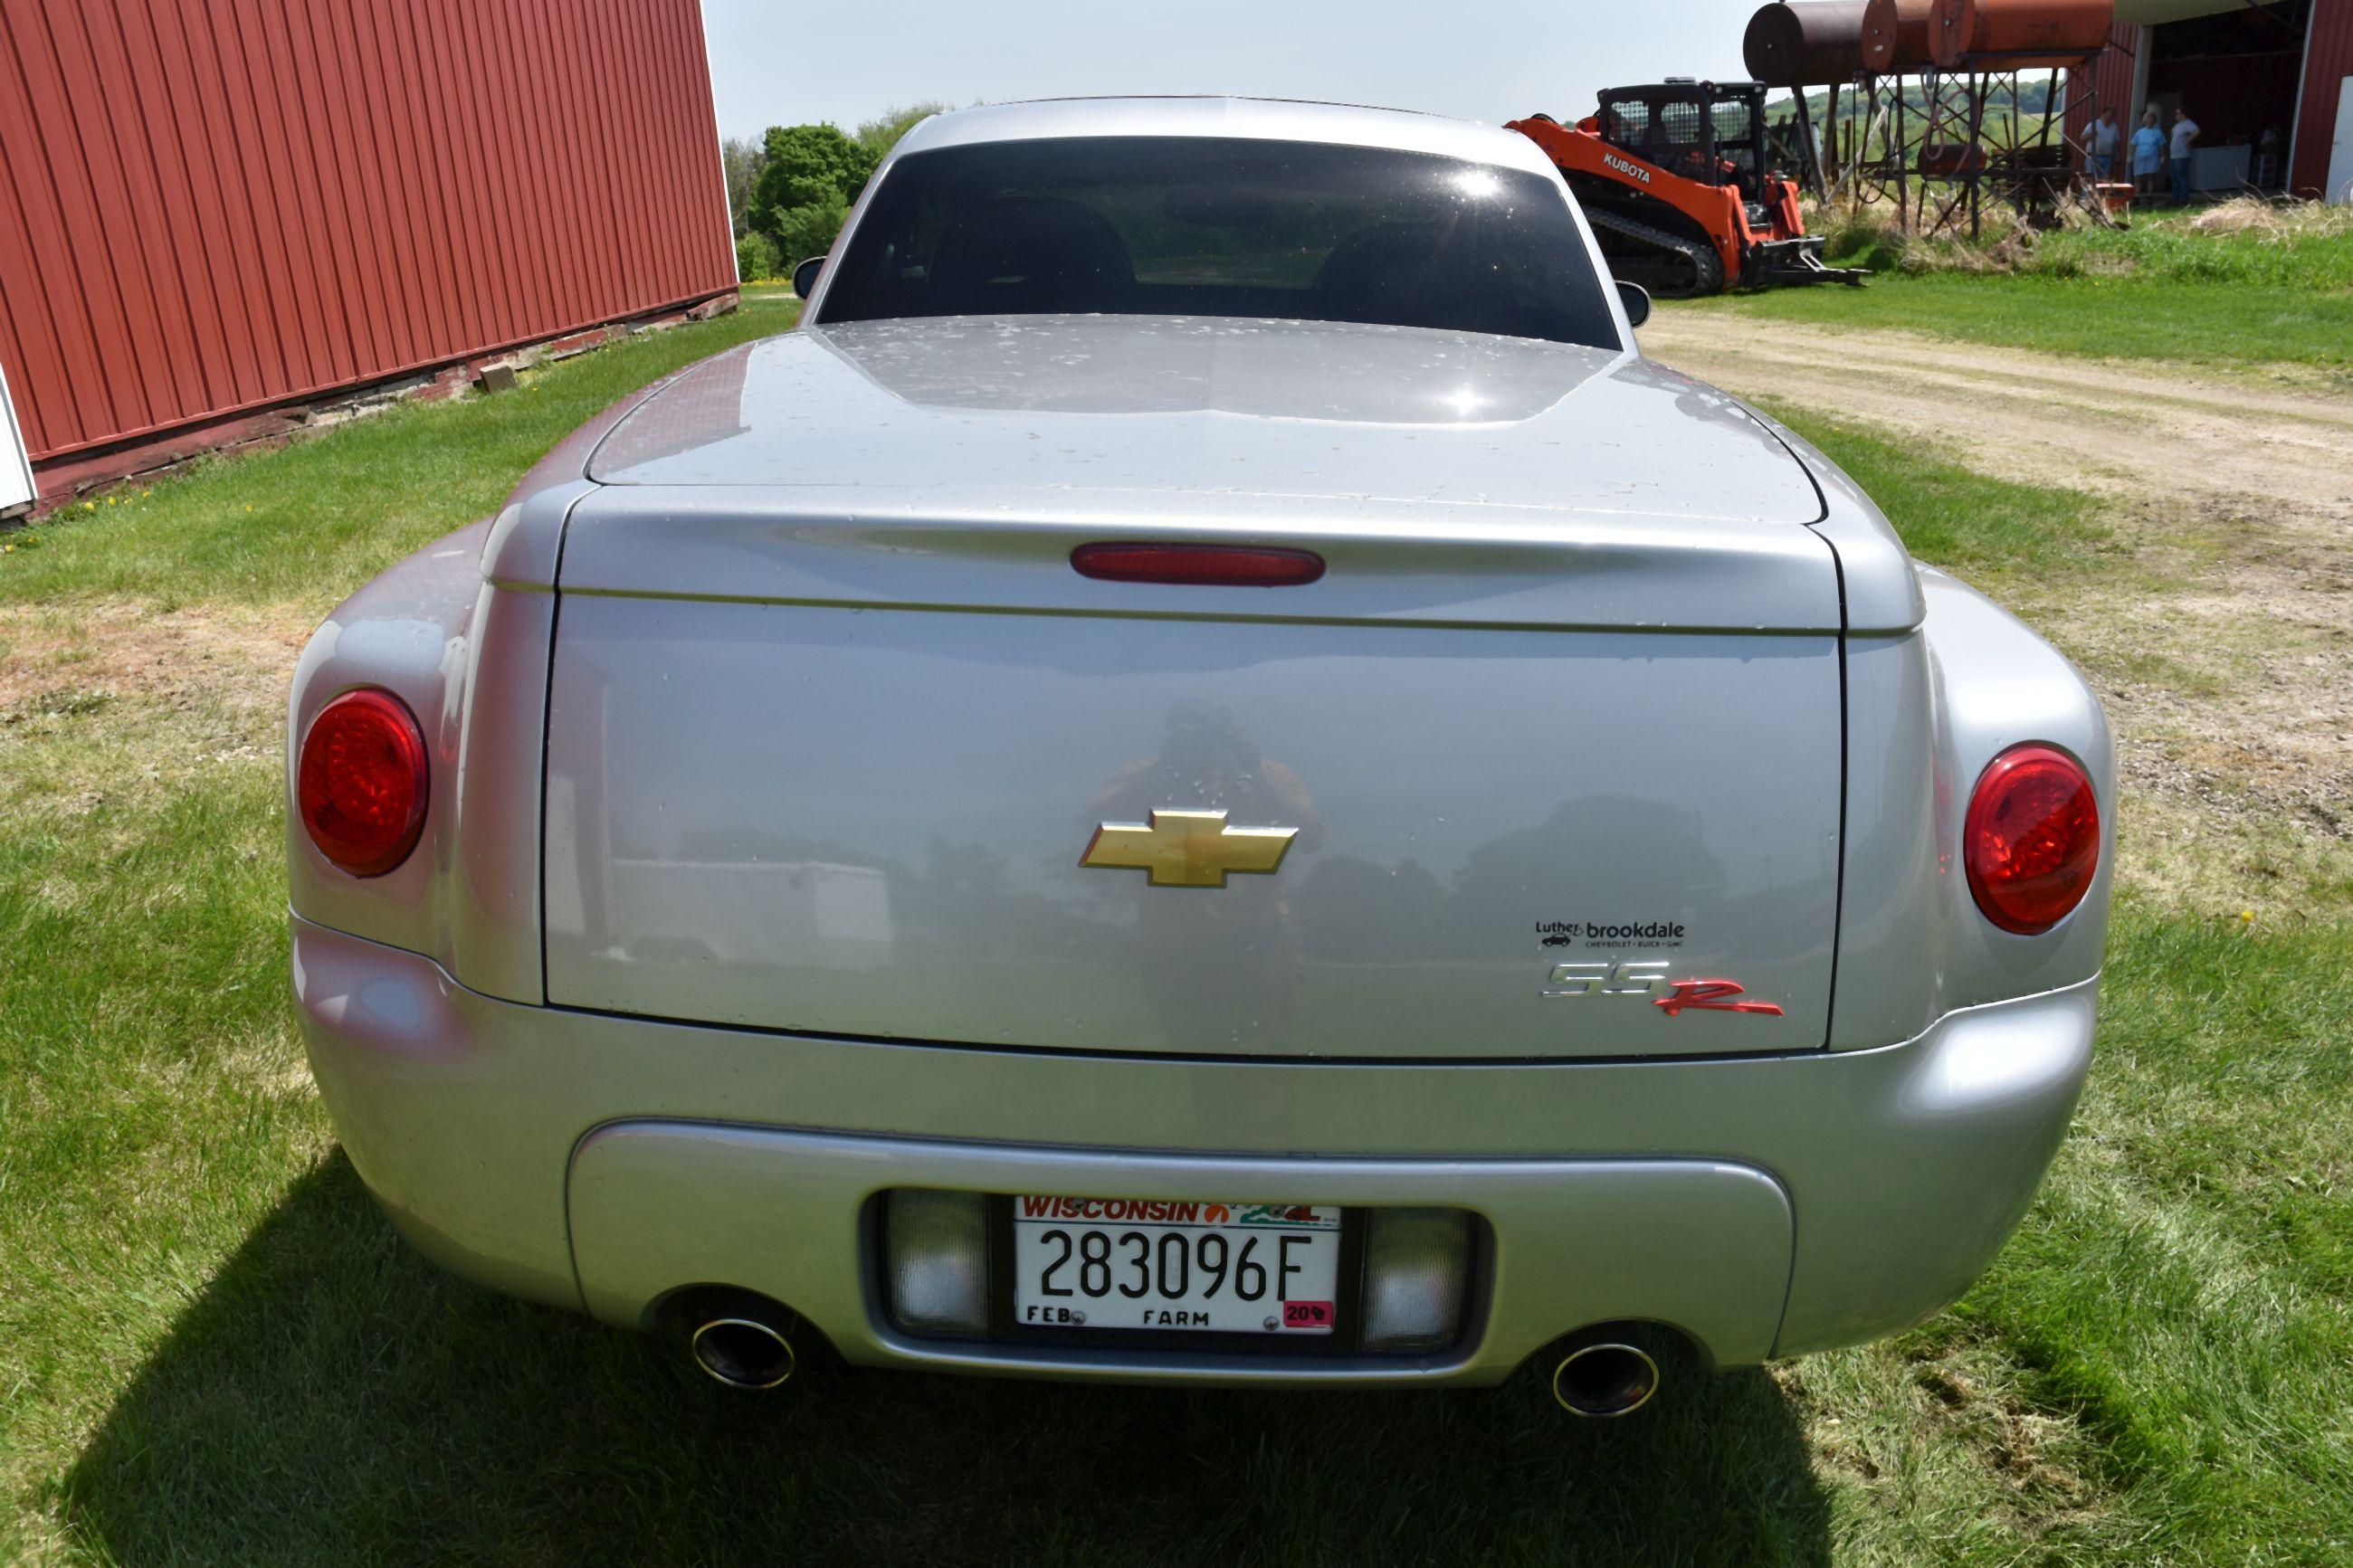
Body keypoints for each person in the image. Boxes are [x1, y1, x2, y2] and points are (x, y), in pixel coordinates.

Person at [2129, 108, 2167, 200]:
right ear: (2144, 120)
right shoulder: (2140, 132)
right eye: (2147, 118)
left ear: (2154, 121)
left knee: (2150, 177)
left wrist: (2163, 156)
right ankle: (2137, 196)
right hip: (2139, 157)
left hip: (2152, 157)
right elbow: (2134, 145)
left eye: (2151, 119)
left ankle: (2149, 195)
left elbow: (2162, 145)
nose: (2149, 120)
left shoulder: (2158, 132)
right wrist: (2131, 156)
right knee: (2138, 177)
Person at [2169, 107, 2201, 205]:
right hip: (2173, 155)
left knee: (2181, 177)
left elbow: (2197, 131)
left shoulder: (2188, 123)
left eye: (2177, 113)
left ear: (2183, 114)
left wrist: (2188, 140)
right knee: (2174, 178)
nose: (2176, 115)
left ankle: (2183, 199)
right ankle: (2175, 198)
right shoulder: (2177, 125)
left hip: (2182, 155)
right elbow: (2172, 133)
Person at [2086, 106, 2121, 182]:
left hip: (2107, 158)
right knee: (2090, 179)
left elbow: (2116, 143)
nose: (2109, 116)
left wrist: (2117, 156)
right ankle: (2087, 194)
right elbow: (2082, 137)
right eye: (2108, 114)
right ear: (2103, 114)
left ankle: (2100, 194)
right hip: (2093, 156)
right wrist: (2091, 134)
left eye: (2111, 115)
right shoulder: (2094, 124)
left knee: (2104, 180)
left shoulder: (2114, 127)